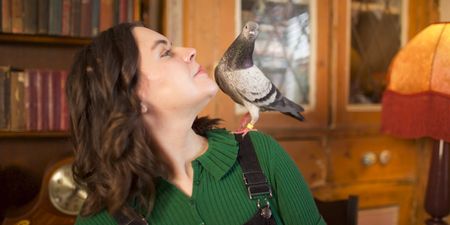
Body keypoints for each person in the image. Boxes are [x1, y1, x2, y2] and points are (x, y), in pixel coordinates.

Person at [67, 22, 325, 225]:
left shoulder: (261, 152)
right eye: (165, 52)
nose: (190, 50)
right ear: (130, 97)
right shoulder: (101, 217)